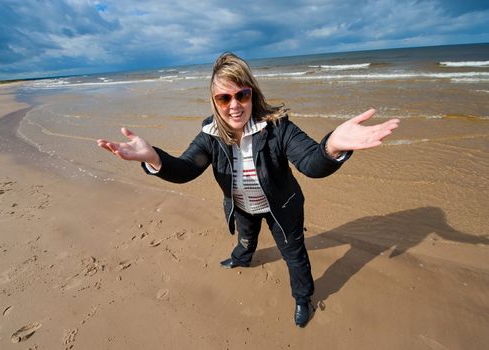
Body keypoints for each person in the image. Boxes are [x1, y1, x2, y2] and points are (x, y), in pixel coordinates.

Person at [97, 53, 400, 327]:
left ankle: (303, 297)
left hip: (282, 207)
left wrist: (332, 145)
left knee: (293, 254)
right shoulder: (211, 135)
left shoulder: (278, 127)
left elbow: (310, 163)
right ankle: (242, 258)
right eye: (224, 98)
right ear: (213, 101)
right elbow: (186, 168)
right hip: (241, 205)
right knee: (246, 238)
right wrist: (153, 158)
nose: (234, 105)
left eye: (242, 94)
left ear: (252, 92)